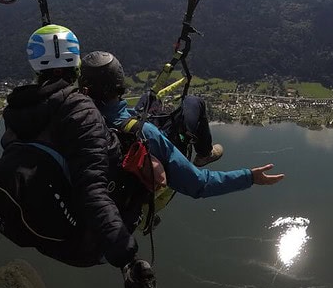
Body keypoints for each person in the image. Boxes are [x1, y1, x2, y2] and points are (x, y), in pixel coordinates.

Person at [0, 25, 155, 288]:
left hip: (47, 235)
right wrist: (126, 256)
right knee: (142, 177)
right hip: (86, 244)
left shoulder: (17, 113)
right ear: (77, 64)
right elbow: (92, 189)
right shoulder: (80, 111)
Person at [79, 51, 285, 202]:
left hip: (124, 129)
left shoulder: (76, 119)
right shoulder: (148, 134)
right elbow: (200, 184)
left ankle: (157, 108)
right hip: (145, 139)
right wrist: (250, 177)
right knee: (193, 103)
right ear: (119, 85)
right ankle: (204, 153)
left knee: (149, 99)